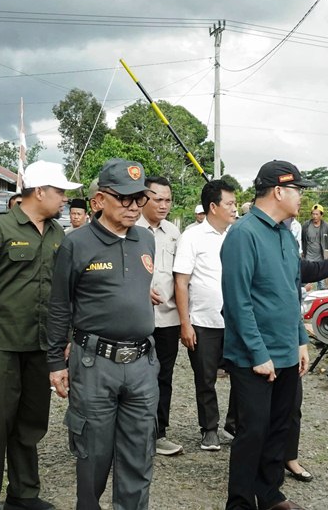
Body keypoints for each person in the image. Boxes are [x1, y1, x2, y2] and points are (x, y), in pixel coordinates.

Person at [0, 160, 79, 510]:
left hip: (40, 345)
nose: (64, 200)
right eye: (59, 192)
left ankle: (24, 494)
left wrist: (66, 336)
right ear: (39, 191)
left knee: (30, 425)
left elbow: (64, 292)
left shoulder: (58, 234)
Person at [47, 158, 158, 510]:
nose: (133, 207)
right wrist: (55, 362)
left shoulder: (146, 240)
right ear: (98, 201)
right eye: (124, 198)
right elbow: (59, 306)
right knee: (93, 453)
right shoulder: (76, 244)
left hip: (141, 363)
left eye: (139, 199)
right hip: (95, 364)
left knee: (139, 454)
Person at [221, 160, 318, 510]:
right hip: (254, 356)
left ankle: (270, 492)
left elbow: (290, 295)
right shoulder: (243, 234)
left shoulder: (284, 234)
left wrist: (300, 340)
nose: (302, 198)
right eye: (298, 190)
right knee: (253, 432)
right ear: (278, 191)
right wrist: (259, 354)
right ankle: (241, 501)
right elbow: (238, 302)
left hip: (287, 351)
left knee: (280, 427)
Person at [173, 179, 238, 452]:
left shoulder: (238, 235)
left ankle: (234, 425)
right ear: (213, 207)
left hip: (236, 322)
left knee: (243, 376)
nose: (235, 209)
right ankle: (209, 429)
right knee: (205, 379)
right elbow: (181, 282)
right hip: (203, 322)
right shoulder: (192, 237)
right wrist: (185, 323)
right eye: (230, 204)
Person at [135, 176, 184, 457]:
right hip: (137, 317)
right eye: (158, 200)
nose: (164, 205)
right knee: (135, 377)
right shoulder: (131, 229)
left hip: (168, 319)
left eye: (168, 200)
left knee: (163, 376)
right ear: (144, 198)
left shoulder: (174, 233)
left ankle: (158, 432)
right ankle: (133, 433)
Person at [301, 204, 328, 290]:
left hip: (321, 258)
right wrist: (303, 253)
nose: (315, 216)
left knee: (322, 283)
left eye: (317, 214)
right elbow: (303, 240)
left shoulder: (326, 226)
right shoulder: (306, 226)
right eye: (313, 214)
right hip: (309, 258)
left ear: (321, 215)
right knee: (307, 283)